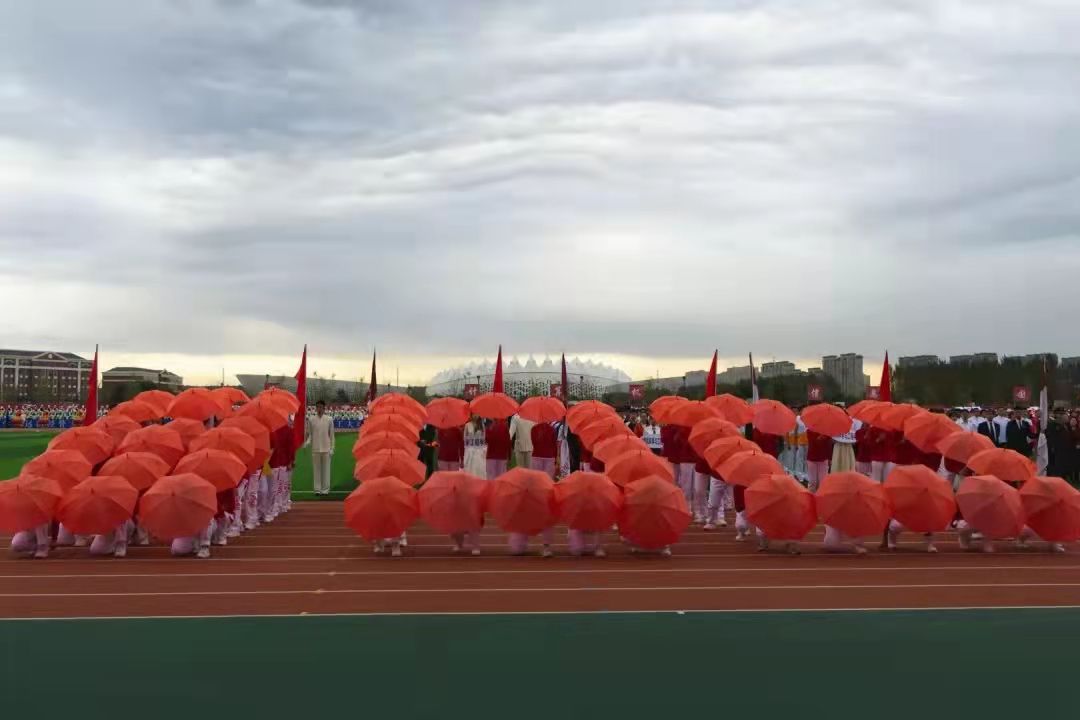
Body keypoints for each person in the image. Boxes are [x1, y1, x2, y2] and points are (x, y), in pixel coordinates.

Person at [268, 420, 296, 520]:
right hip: (278, 461)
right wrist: (291, 460)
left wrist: (290, 460)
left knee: (278, 485)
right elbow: (291, 447)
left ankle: (279, 505)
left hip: (277, 462)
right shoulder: (284, 429)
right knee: (281, 485)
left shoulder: (284, 430)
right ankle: (280, 505)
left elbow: (291, 447)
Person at [306, 400, 335, 496]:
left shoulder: (329, 419)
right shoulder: (311, 419)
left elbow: (332, 435)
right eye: (317, 407)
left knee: (326, 470)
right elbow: (310, 435)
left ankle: (325, 489)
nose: (319, 409)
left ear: (324, 408)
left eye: (321, 407)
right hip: (315, 448)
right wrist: (307, 442)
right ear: (316, 408)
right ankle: (317, 489)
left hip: (326, 448)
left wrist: (332, 448)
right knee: (317, 469)